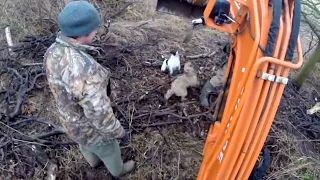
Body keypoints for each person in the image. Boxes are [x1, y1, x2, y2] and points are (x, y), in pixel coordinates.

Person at [43, 1, 135, 178]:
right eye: (95, 29)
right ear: (82, 34)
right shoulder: (86, 72)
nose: (97, 32)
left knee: (85, 145)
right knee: (110, 150)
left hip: (70, 120)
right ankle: (118, 171)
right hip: (91, 128)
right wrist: (119, 132)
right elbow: (99, 114)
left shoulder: (53, 50)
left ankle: (93, 162)